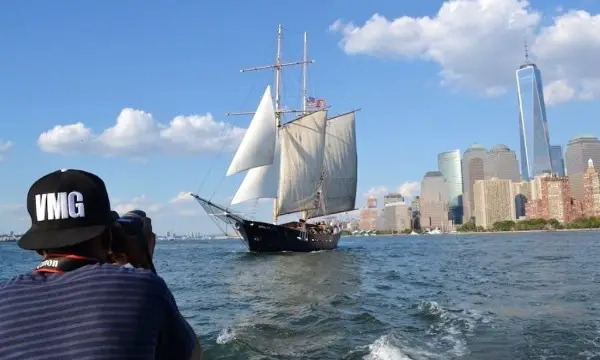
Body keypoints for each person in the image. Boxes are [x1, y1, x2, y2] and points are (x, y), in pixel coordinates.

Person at [0, 169, 203, 360]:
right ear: (109, 236)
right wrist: (143, 263)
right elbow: (192, 355)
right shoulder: (143, 288)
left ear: (39, 247)